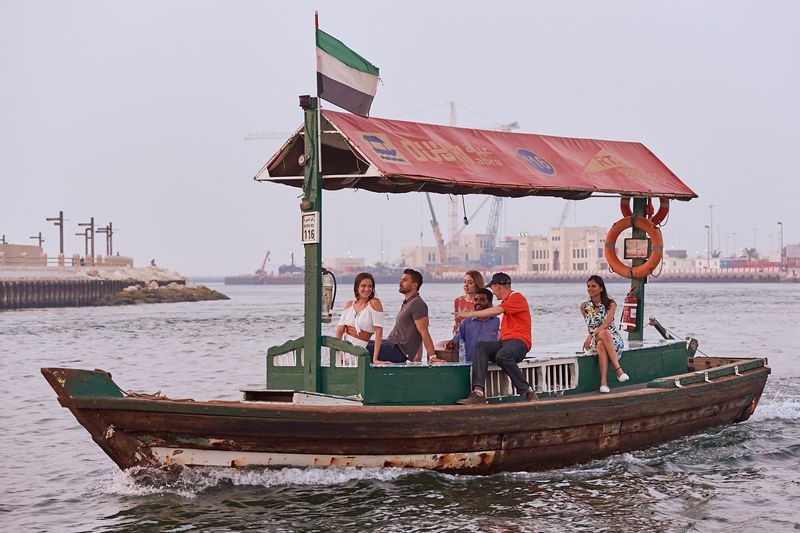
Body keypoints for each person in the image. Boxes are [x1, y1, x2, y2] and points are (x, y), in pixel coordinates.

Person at [455, 272, 538, 404]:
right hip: (505, 343)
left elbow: (496, 311)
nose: (493, 293)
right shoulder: (506, 302)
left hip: (519, 343)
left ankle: (528, 391)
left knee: (502, 355)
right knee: (481, 346)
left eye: (493, 288)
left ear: (498, 286)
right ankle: (478, 392)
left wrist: (469, 314)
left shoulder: (517, 297)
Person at [367, 268, 444, 364]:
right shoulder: (407, 303)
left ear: (414, 285)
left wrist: (432, 356)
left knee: (362, 349)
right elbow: (416, 332)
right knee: (360, 343)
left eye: (405, 280)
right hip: (389, 344)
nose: (400, 282)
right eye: (401, 279)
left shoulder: (417, 303)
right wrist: (418, 358)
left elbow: (423, 331)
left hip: (398, 351)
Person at [580, 275, 629, 393]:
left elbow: (606, 324)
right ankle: (619, 370)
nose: (590, 289)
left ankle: (603, 383)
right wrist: (592, 336)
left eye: (593, 286)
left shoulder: (611, 304)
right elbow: (589, 326)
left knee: (603, 338)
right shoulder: (584, 307)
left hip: (612, 338)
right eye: (588, 286)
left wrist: (591, 335)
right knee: (601, 336)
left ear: (601, 288)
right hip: (594, 339)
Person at [335, 272, 384, 364]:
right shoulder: (349, 304)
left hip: (357, 354)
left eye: (370, 286)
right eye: (363, 286)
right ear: (357, 288)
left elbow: (379, 332)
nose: (367, 289)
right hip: (341, 351)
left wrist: (375, 359)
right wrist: (338, 354)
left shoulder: (374, 303)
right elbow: (339, 331)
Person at [446, 288, 499, 362]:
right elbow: (457, 343)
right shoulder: (466, 323)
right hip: (471, 365)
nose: (478, 302)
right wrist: (452, 345)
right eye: (476, 300)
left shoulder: (497, 322)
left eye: (482, 300)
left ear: (490, 303)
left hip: (493, 367)